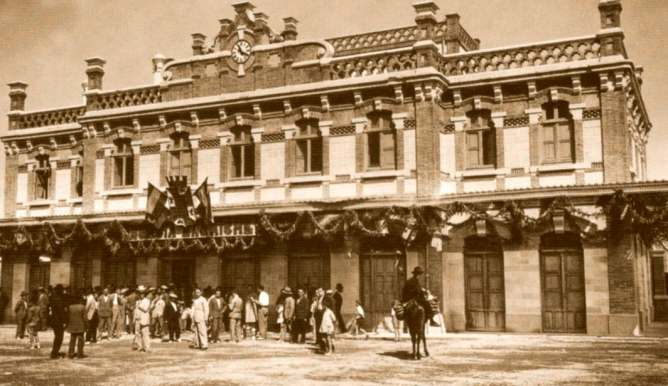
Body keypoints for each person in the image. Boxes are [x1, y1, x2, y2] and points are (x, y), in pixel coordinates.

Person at [49, 284, 69, 359]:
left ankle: (55, 352)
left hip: (53, 320)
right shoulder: (59, 299)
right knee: (59, 337)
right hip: (58, 321)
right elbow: (61, 312)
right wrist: (64, 322)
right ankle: (54, 353)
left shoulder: (53, 298)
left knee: (57, 337)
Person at [67, 290, 88, 359]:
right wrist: (87, 325)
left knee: (72, 340)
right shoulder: (82, 307)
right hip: (81, 326)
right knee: (80, 340)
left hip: (72, 325)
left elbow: (68, 316)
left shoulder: (70, 307)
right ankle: (79, 354)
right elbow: (85, 318)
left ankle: (70, 353)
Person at [135, 286, 151, 353]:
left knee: (145, 334)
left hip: (144, 319)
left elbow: (145, 309)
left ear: (145, 294)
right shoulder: (137, 301)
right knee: (137, 334)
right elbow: (136, 310)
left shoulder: (147, 301)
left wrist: (139, 305)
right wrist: (135, 317)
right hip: (137, 319)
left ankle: (147, 348)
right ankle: (140, 347)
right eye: (140, 293)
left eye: (143, 294)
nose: (141, 295)